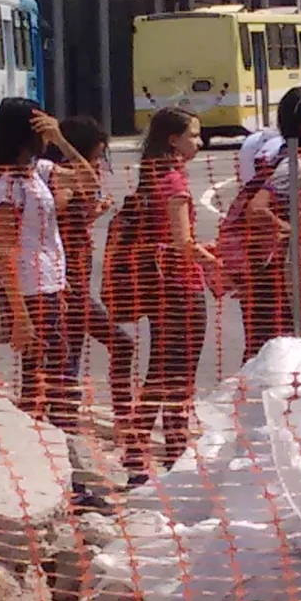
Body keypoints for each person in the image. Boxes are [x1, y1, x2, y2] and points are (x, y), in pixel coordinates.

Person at [106, 107, 219, 479]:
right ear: (174, 140)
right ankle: (174, 457)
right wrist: (217, 264)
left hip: (158, 288)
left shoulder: (152, 177)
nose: (199, 143)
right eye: (194, 135)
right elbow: (182, 243)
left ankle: (140, 457)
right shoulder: (174, 183)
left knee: (160, 373)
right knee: (179, 377)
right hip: (181, 287)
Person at [0, 97, 97, 428]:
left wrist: (62, 141)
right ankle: (41, 443)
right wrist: (20, 315)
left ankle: (47, 441)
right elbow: (3, 252)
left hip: (52, 284)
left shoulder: (40, 172)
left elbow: (89, 182)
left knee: (52, 374)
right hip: (30, 290)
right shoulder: (6, 187)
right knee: (43, 376)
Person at [232, 86, 301, 356]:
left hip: (289, 276)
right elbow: (256, 210)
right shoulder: (293, 165)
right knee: (271, 352)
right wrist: (293, 231)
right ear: (300, 126)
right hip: (275, 278)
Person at [54, 115, 131, 444]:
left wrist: (92, 212)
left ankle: (109, 419)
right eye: (96, 155)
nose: (99, 163)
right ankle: (112, 421)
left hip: (78, 278)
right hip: (65, 282)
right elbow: (54, 211)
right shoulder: (59, 175)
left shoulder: (76, 178)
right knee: (112, 346)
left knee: (70, 358)